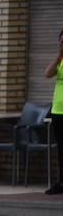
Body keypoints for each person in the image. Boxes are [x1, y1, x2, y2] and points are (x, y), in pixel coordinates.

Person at [45, 29, 63, 195]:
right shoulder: (60, 60)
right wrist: (58, 55)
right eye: (61, 42)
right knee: (61, 148)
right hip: (58, 111)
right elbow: (47, 73)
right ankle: (61, 182)